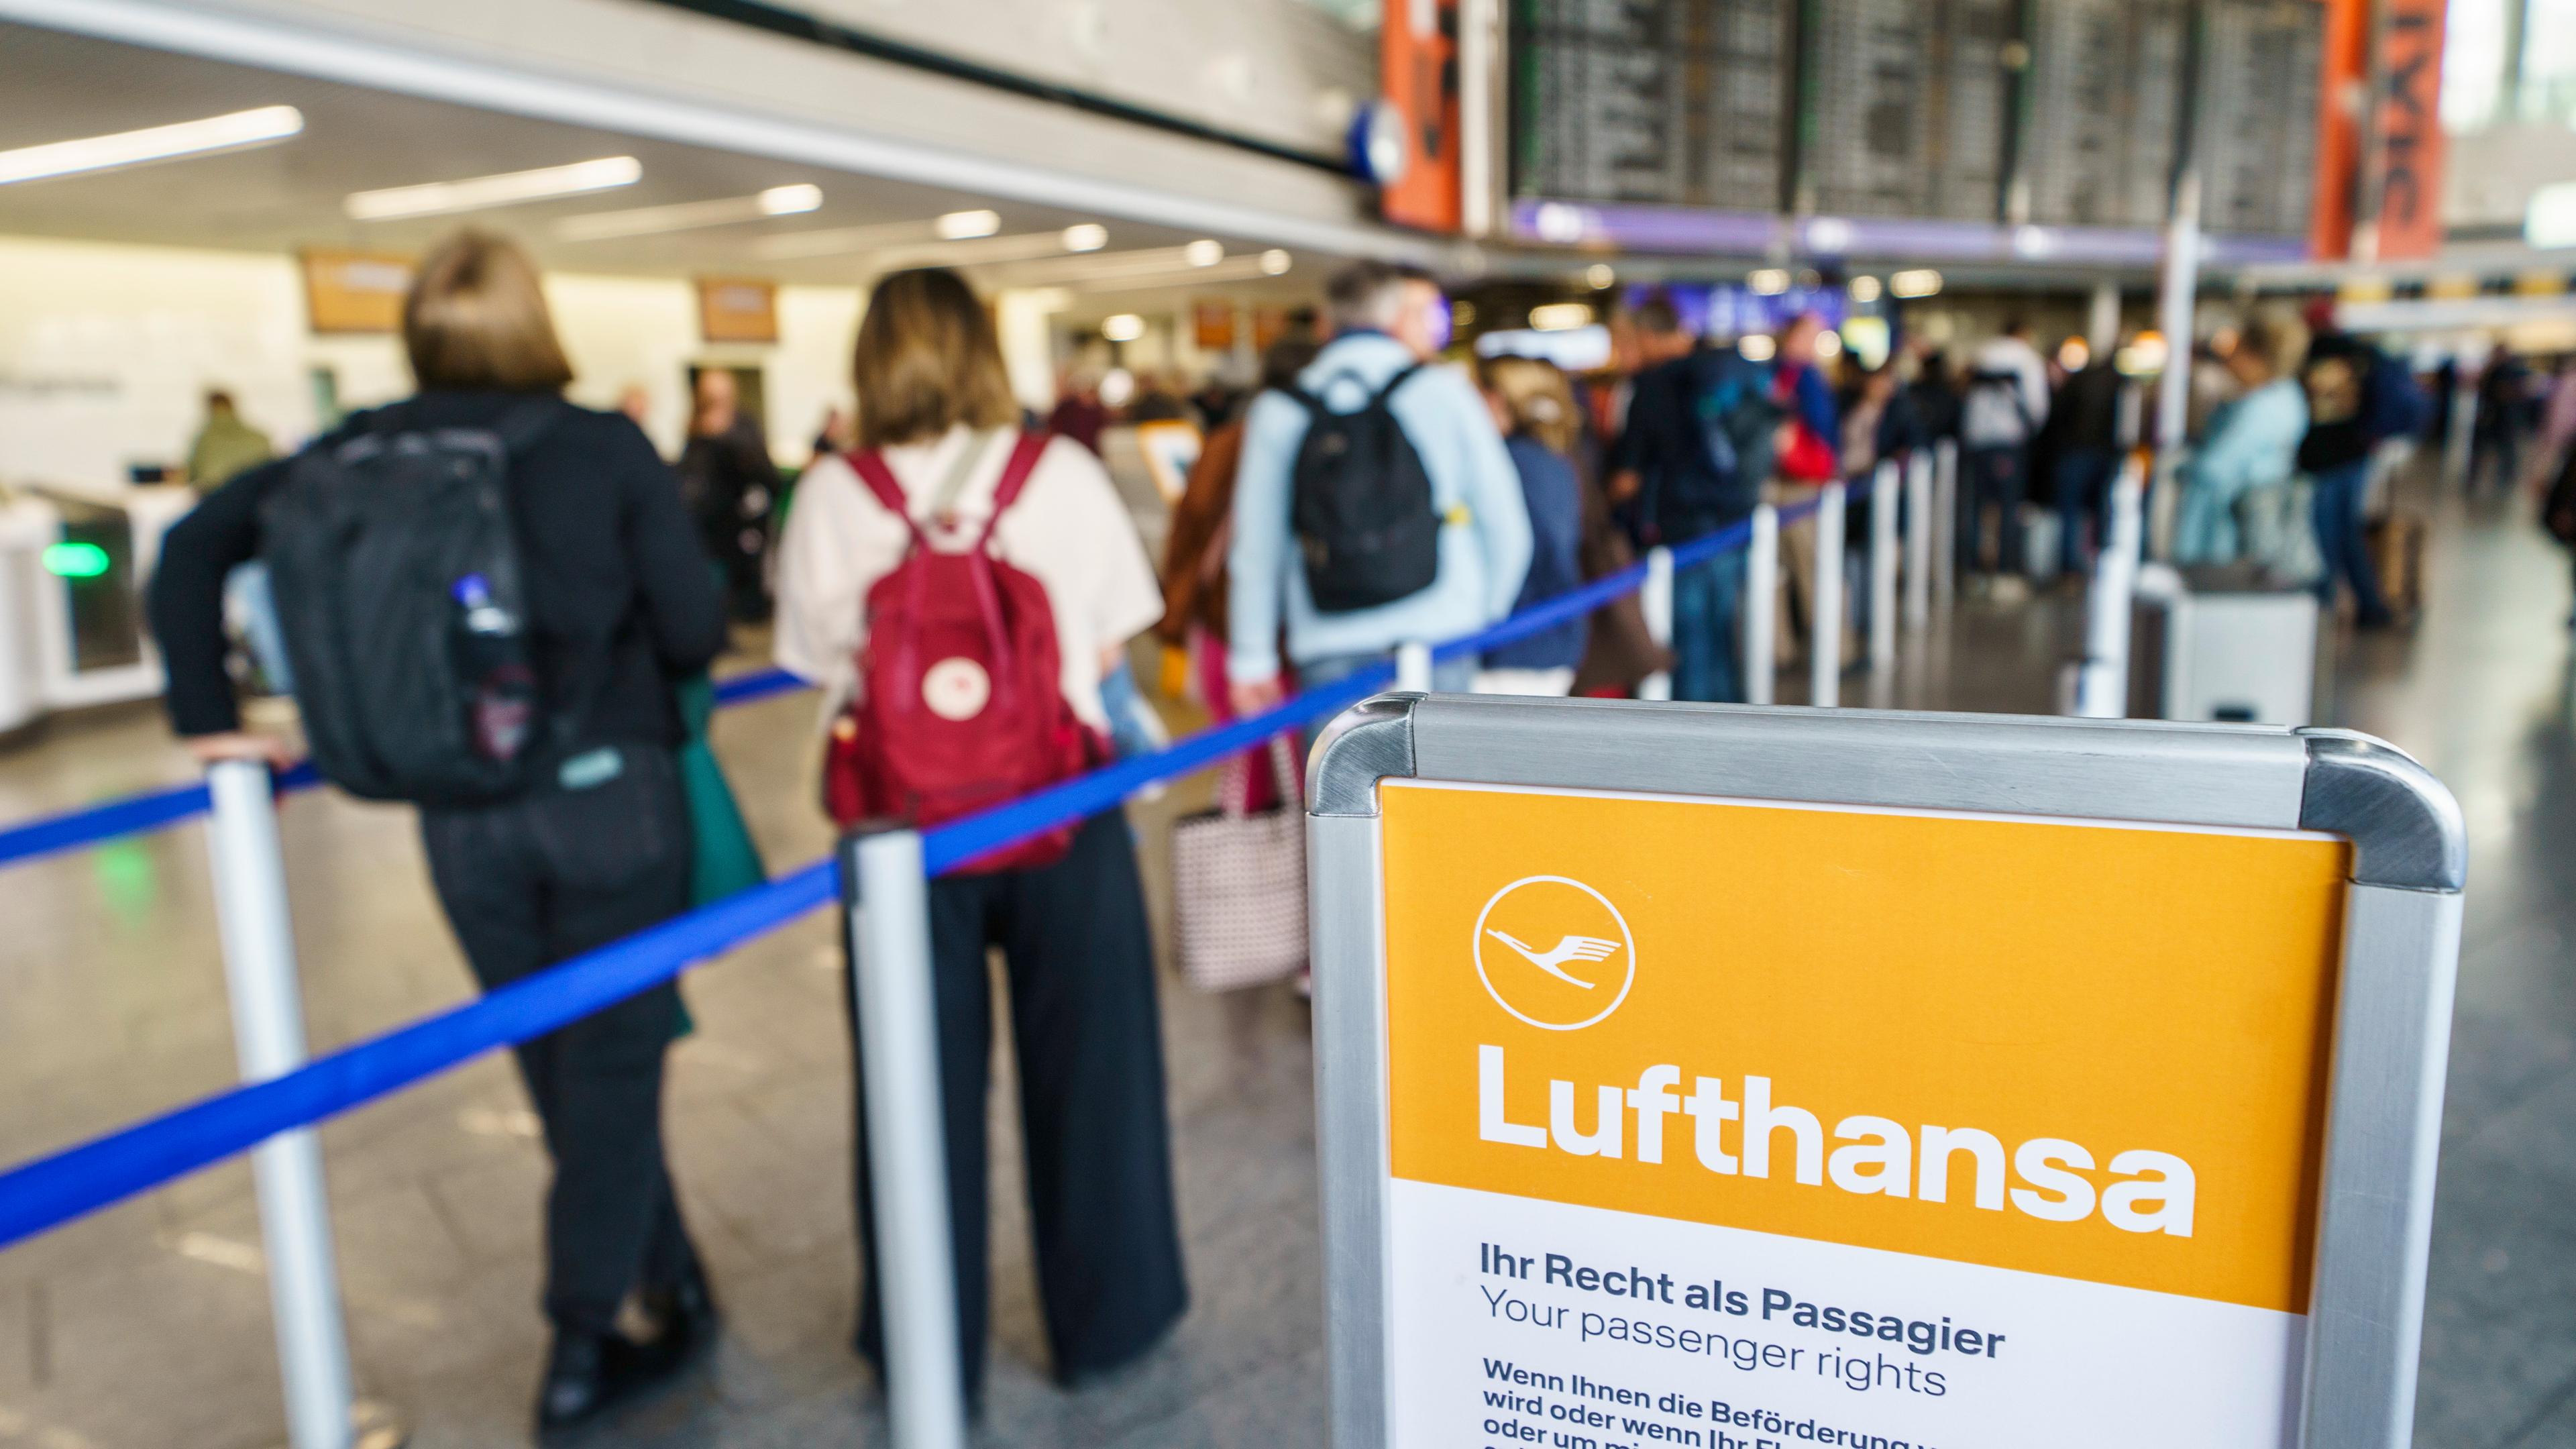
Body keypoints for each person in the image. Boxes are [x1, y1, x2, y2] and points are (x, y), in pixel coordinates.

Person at [146, 229, 728, 1434]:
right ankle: (580, 1343)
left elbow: (191, 548)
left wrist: (212, 722)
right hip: (609, 797)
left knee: (557, 1064)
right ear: (539, 322)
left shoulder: (359, 450)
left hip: (461, 818)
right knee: (613, 1069)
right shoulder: (597, 446)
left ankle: (669, 1278)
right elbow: (692, 626)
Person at [771, 267, 1185, 1403]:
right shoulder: (1058, 471)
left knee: (911, 1086)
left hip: (900, 830)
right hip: (1061, 809)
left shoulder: (830, 493)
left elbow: (816, 660)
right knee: (1093, 1077)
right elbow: (1105, 648)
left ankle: (921, 1335)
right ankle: (1109, 1321)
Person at [1226, 260, 1531, 714]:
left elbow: (1256, 545)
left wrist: (1252, 658)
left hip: (1328, 639)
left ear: (1326, 320)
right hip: (1442, 631)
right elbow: (1504, 519)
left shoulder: (1278, 410)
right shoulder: (1444, 390)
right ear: (1395, 317)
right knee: (1443, 783)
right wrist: (1485, 613)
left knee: (1342, 783)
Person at [1155, 335, 1320, 809]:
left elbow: (1187, 533)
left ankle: (1260, 873)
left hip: (1223, 626)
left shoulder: (1225, 443)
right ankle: (1303, 876)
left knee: (1247, 766)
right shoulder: (1322, 440)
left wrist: (1180, 615)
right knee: (1311, 774)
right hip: (1303, 629)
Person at [1474, 355, 1589, 695]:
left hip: (1519, 643)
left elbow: (1528, 551)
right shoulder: (1550, 458)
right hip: (1547, 635)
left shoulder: (1512, 463)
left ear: (1498, 398)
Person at [2299, 314, 2412, 627]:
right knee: (2349, 532)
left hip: (2323, 459)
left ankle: (2323, 604)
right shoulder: (2363, 356)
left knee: (2324, 535)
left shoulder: (2311, 356)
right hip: (2356, 456)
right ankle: (2371, 604)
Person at [2176, 312, 2311, 567]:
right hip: (2248, 520)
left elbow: (2214, 466)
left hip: (2228, 529)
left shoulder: (2260, 407)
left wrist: (2179, 464)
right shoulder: (2286, 396)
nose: (2230, 361)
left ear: (2254, 357)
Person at [676, 369, 781, 623]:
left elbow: (764, 474)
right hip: (709, 525)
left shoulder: (743, 426)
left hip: (743, 524)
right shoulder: (695, 427)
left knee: (745, 581)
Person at [1957, 319, 2051, 588]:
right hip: (2008, 442)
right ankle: (2006, 572)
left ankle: (1972, 571)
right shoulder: (2027, 359)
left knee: (1975, 507)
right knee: (2009, 508)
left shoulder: (1982, 355)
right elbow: (2037, 406)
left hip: (1977, 442)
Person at [2045, 347, 2125, 577]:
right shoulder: (2120, 385)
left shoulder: (2079, 380)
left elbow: (2057, 414)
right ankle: (2102, 565)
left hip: (2074, 451)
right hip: (2105, 454)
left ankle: (2069, 569)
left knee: (2069, 512)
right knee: (2104, 511)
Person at [185, 388, 274, 491]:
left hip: (217, 496)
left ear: (210, 408)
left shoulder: (204, 439)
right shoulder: (260, 438)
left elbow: (192, 474)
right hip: (254, 496)